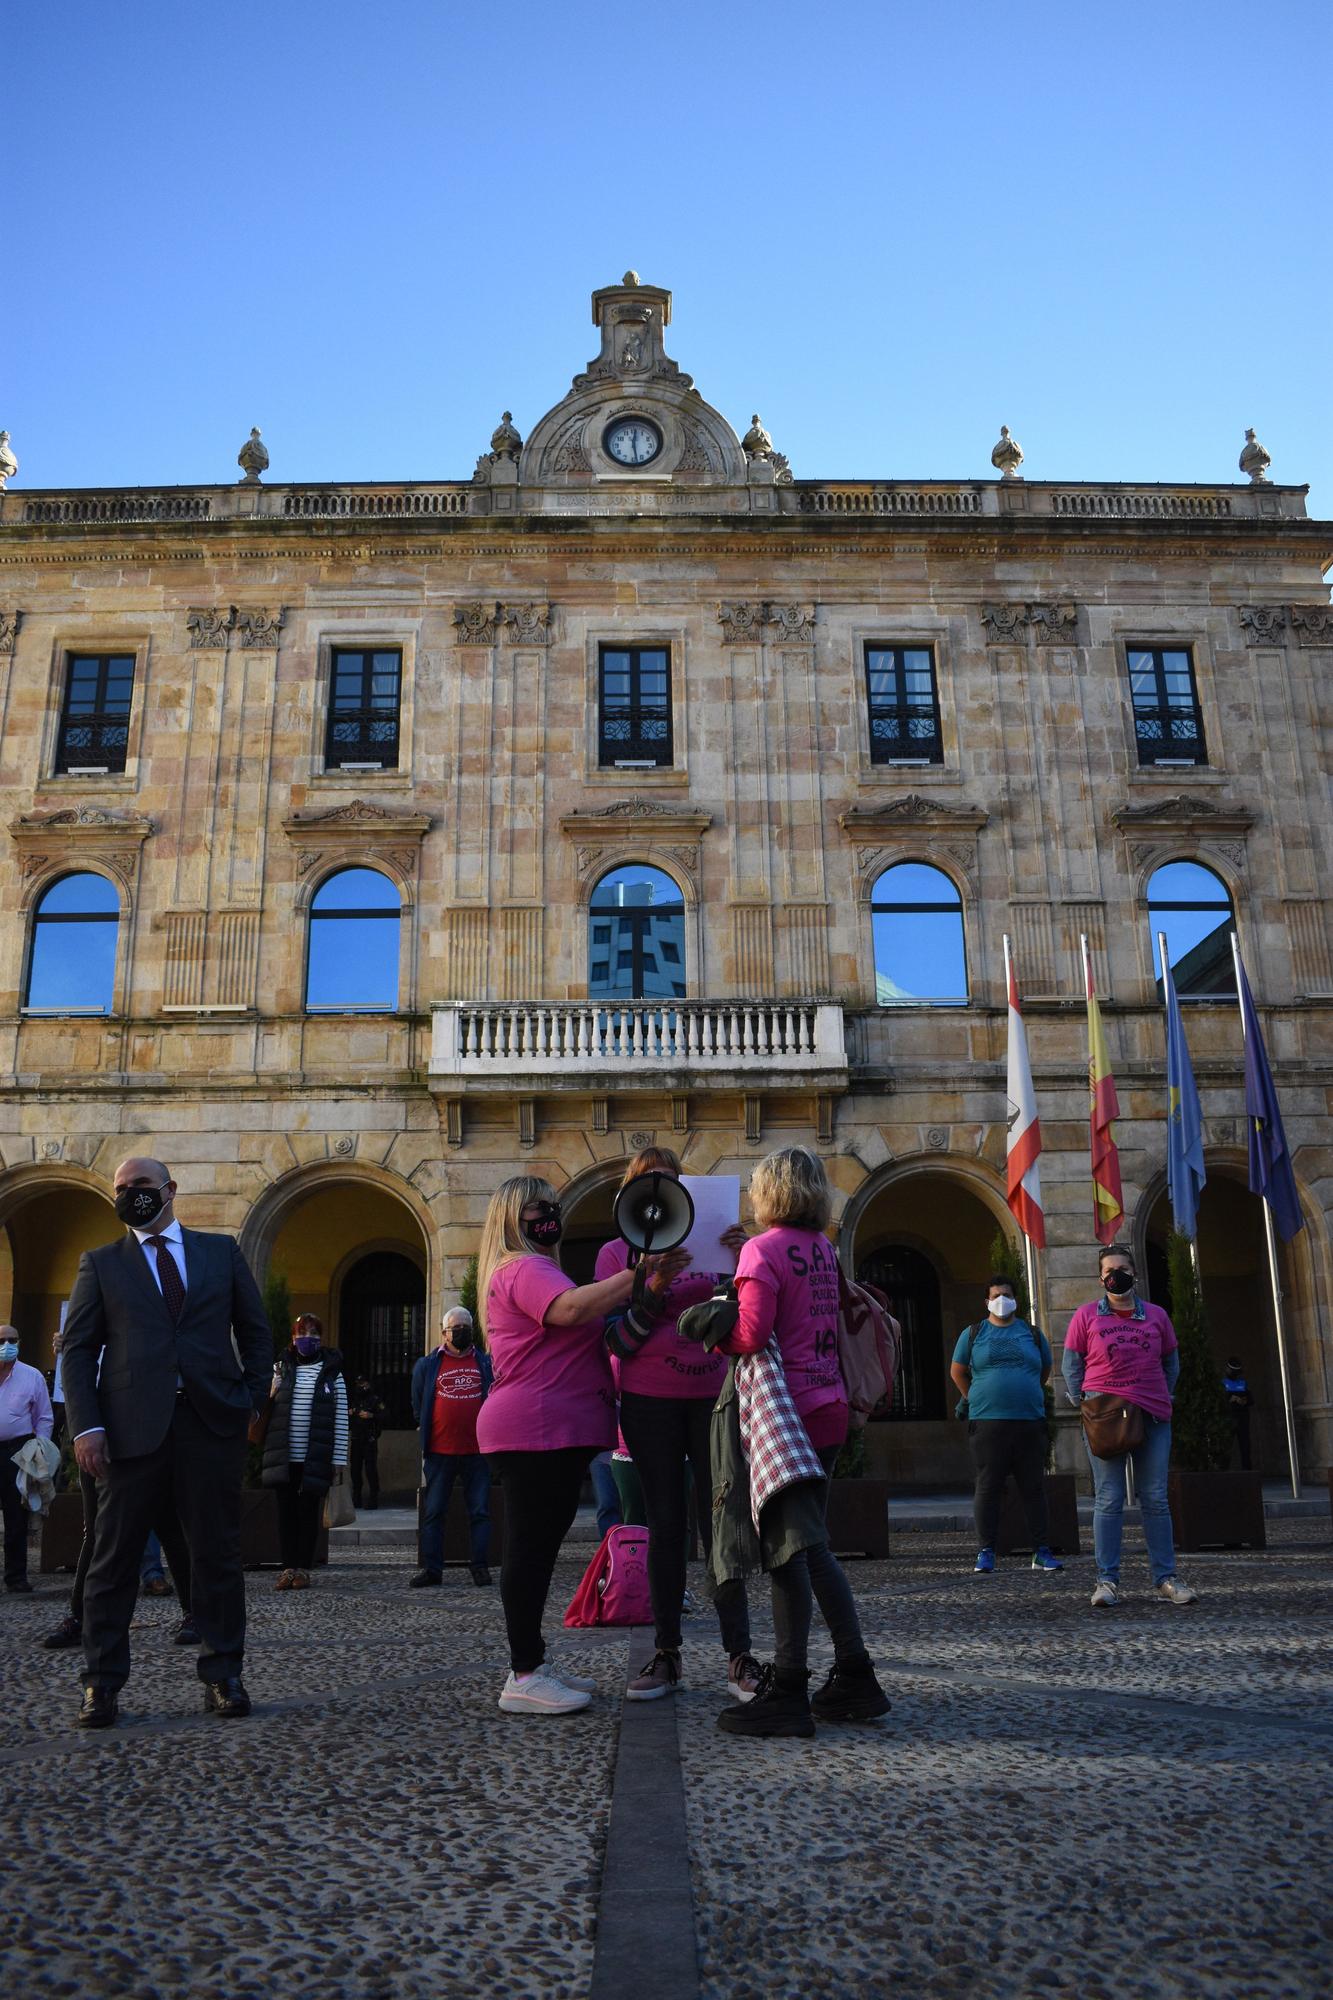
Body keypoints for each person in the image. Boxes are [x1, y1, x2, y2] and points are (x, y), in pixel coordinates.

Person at [61, 1157, 272, 1728]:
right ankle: (101, 1685)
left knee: (216, 1556)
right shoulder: (102, 1264)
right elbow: (77, 1350)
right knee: (112, 1559)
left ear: (171, 1190)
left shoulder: (218, 1252)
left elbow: (255, 1331)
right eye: (122, 1190)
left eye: (142, 1187)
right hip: (129, 1432)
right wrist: (87, 1425)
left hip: (209, 1424)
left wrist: (250, 1398)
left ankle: (224, 1675)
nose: (132, 1196)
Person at [476, 1174, 685, 1716]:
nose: (551, 1213)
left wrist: (645, 1284)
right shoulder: (523, 1267)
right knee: (528, 1549)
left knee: (539, 1550)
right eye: (539, 1207)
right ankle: (523, 1673)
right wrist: (637, 1272)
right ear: (513, 1216)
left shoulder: (533, 1269)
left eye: (554, 1205)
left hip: (550, 1429)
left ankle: (534, 1664)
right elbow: (570, 1310)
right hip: (533, 1428)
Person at [715, 1148, 890, 1739]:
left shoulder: (760, 1251)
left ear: (768, 1193)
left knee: (793, 1552)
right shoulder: (822, 1249)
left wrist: (713, 1325)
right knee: (810, 1546)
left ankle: (792, 1688)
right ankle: (851, 1677)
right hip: (829, 1407)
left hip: (785, 1415)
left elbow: (751, 1333)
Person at [595, 1147, 759, 1704]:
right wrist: (655, 1285)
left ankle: (740, 1654)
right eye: (650, 1183)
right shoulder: (616, 1254)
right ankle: (666, 1653)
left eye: (672, 1181)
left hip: (713, 1399)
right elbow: (616, 1342)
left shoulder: (711, 1243)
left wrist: (743, 1268)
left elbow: (741, 1323)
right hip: (648, 1402)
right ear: (632, 1195)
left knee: (723, 1525)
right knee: (666, 1527)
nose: (662, 1191)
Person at [1063, 1243, 1198, 1609]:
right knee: (1108, 1499)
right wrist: (1085, 1401)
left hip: (1153, 1415)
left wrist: (1162, 1395)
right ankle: (1107, 1580)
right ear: (1100, 1277)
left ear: (1134, 1273)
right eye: (1109, 1270)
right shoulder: (1087, 1316)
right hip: (1105, 1415)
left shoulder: (1156, 1315)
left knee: (1155, 1497)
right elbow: (1071, 1363)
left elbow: (1171, 1360)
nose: (1116, 1275)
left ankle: (1166, 1578)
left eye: (1123, 1268)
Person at [949, 1276, 1063, 1575]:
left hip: (1029, 1421)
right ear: (987, 1302)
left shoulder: (1032, 1334)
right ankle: (986, 1551)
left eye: (1007, 1294)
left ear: (1016, 1300)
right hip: (987, 1423)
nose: (1002, 1299)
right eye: (997, 1295)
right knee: (988, 1486)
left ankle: (1041, 1550)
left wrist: (1024, 1392)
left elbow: (1045, 1369)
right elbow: (957, 1371)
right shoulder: (973, 1334)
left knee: (1033, 1487)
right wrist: (974, 1397)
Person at [260, 1313, 348, 1590]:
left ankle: (303, 1569)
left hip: (316, 1453)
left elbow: (341, 1417)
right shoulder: (280, 1368)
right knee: (285, 1512)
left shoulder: (332, 1371)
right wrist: (270, 1391)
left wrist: (338, 1459)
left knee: (308, 1512)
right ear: (292, 1338)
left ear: (320, 1338)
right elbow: (266, 1408)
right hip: (284, 1453)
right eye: (301, 1333)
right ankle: (287, 1568)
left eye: (312, 1333)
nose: (306, 1339)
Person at [410, 1306, 494, 1587]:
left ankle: (480, 1567)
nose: (460, 1331)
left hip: (477, 1453)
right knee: (434, 1513)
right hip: (439, 1454)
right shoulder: (427, 1365)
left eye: (465, 1326)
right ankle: (433, 1570)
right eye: (455, 1327)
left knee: (480, 1512)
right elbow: (418, 1401)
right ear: (444, 1332)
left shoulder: (484, 1363)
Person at [0, 1325, 53, 1594]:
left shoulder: (31, 1376)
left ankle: (16, 1575)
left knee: (16, 1515)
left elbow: (43, 1416)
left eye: (12, 1340)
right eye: (2, 1340)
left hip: (18, 1450)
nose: (7, 1344)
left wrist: (38, 1448)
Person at [348, 1374, 385, 1510]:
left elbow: (385, 1415)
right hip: (356, 1438)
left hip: (369, 1439)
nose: (361, 1387)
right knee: (355, 1471)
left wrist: (372, 1415)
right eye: (359, 1384)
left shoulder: (375, 1400)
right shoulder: (354, 1400)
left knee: (370, 1470)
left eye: (363, 1384)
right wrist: (350, 1413)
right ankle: (356, 1498)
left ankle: (373, 1498)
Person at [1223, 1358, 1255, 1471]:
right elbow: (1221, 1400)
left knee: (1245, 1446)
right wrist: (1231, 1399)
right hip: (1229, 1418)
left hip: (1242, 1418)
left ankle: (1247, 1470)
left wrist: (1243, 1400)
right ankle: (1224, 1470)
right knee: (1226, 1446)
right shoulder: (1223, 1383)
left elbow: (1251, 1400)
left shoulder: (1243, 1383)